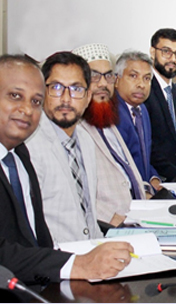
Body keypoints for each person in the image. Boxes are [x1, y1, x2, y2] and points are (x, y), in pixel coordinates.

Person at [0, 54, 133, 285]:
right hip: (51, 273)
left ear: (88, 96)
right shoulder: (30, 147)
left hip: (60, 273)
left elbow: (37, 235)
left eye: (35, 101)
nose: (26, 109)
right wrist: (76, 264)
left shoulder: (19, 155)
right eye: (15, 96)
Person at [26, 52, 102, 242]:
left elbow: (89, 216)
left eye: (76, 89)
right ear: (42, 92)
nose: (66, 99)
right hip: (53, 256)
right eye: (56, 87)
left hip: (91, 250)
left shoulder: (86, 140)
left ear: (88, 97)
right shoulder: (28, 146)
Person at [72, 44, 147, 228]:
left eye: (108, 76)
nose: (103, 84)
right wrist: (109, 217)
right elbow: (70, 190)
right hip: (106, 226)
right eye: (94, 76)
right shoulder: (73, 128)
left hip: (135, 218)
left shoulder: (108, 119)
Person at [113, 51, 162, 189]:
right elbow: (120, 168)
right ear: (116, 80)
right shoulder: (113, 114)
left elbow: (143, 159)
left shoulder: (142, 110)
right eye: (133, 76)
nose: (141, 84)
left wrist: (154, 178)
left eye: (146, 78)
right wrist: (145, 190)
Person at [144, 28, 176, 181]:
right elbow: (150, 147)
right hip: (156, 177)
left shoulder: (175, 90)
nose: (173, 59)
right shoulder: (145, 89)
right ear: (152, 52)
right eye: (166, 52)